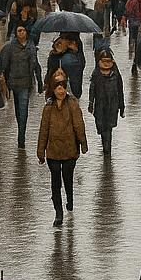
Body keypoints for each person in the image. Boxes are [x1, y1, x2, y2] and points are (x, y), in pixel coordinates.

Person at [38, 78, 87, 229]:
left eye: (63, 87)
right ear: (52, 90)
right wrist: (41, 151)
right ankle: (58, 213)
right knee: (55, 182)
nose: (60, 91)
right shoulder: (48, 107)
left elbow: (79, 124)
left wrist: (83, 143)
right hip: (53, 151)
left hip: (69, 150)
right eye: (57, 88)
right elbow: (43, 130)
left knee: (68, 177)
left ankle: (70, 199)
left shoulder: (72, 104)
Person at [0, 25, 43, 149]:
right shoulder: (9, 47)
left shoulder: (31, 47)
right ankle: (20, 130)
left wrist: (40, 82)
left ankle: (21, 137)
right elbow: (4, 65)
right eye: (19, 30)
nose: (21, 33)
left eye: (23, 30)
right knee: (18, 109)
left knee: (23, 110)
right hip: (13, 83)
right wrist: (3, 82)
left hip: (26, 84)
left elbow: (36, 65)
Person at [87, 49, 125, 157]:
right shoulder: (96, 74)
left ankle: (107, 150)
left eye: (108, 61)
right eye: (104, 61)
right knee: (101, 127)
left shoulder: (115, 74)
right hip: (99, 106)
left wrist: (122, 107)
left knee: (108, 128)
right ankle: (105, 145)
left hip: (112, 105)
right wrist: (91, 103)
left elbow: (120, 90)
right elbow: (92, 89)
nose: (106, 64)